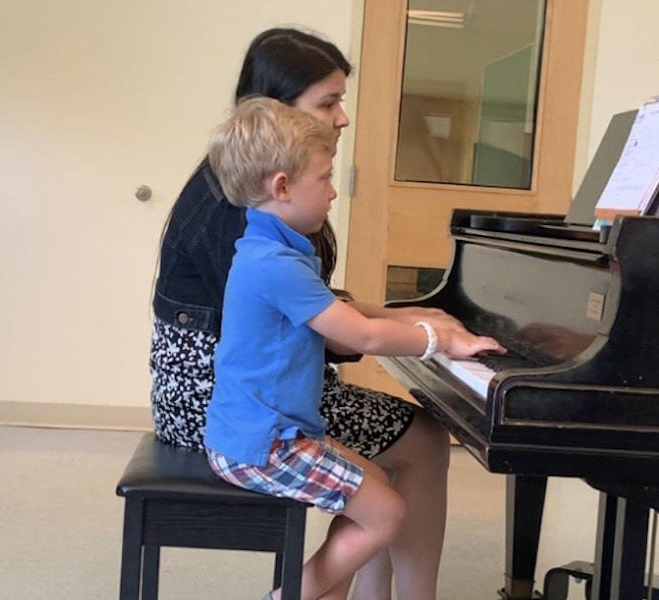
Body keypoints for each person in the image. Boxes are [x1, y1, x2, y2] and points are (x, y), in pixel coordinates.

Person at [150, 28, 468, 599]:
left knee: (396, 454)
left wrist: (408, 316)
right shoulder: (237, 207)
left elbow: (315, 300)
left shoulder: (263, 191)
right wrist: (419, 333)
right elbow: (328, 328)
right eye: (327, 102)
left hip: (250, 391)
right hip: (223, 405)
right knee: (420, 439)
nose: (342, 117)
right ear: (277, 106)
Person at [204, 97, 501, 600]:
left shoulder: (271, 248)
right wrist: (440, 339)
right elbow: (355, 336)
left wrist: (405, 315)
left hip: (274, 432)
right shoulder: (274, 263)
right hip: (265, 445)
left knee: (375, 485)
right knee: (386, 513)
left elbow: (344, 311)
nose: (334, 191)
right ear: (281, 186)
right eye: (324, 179)